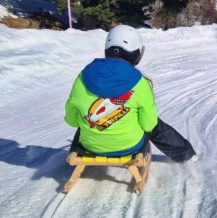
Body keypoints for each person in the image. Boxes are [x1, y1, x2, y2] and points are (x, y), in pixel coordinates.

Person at [64, 25, 197, 163]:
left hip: (90, 146)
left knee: (84, 122)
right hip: (129, 147)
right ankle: (187, 155)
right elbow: (148, 125)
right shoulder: (139, 82)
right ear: (137, 54)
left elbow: (72, 121)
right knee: (156, 126)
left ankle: (77, 154)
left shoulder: (82, 77)